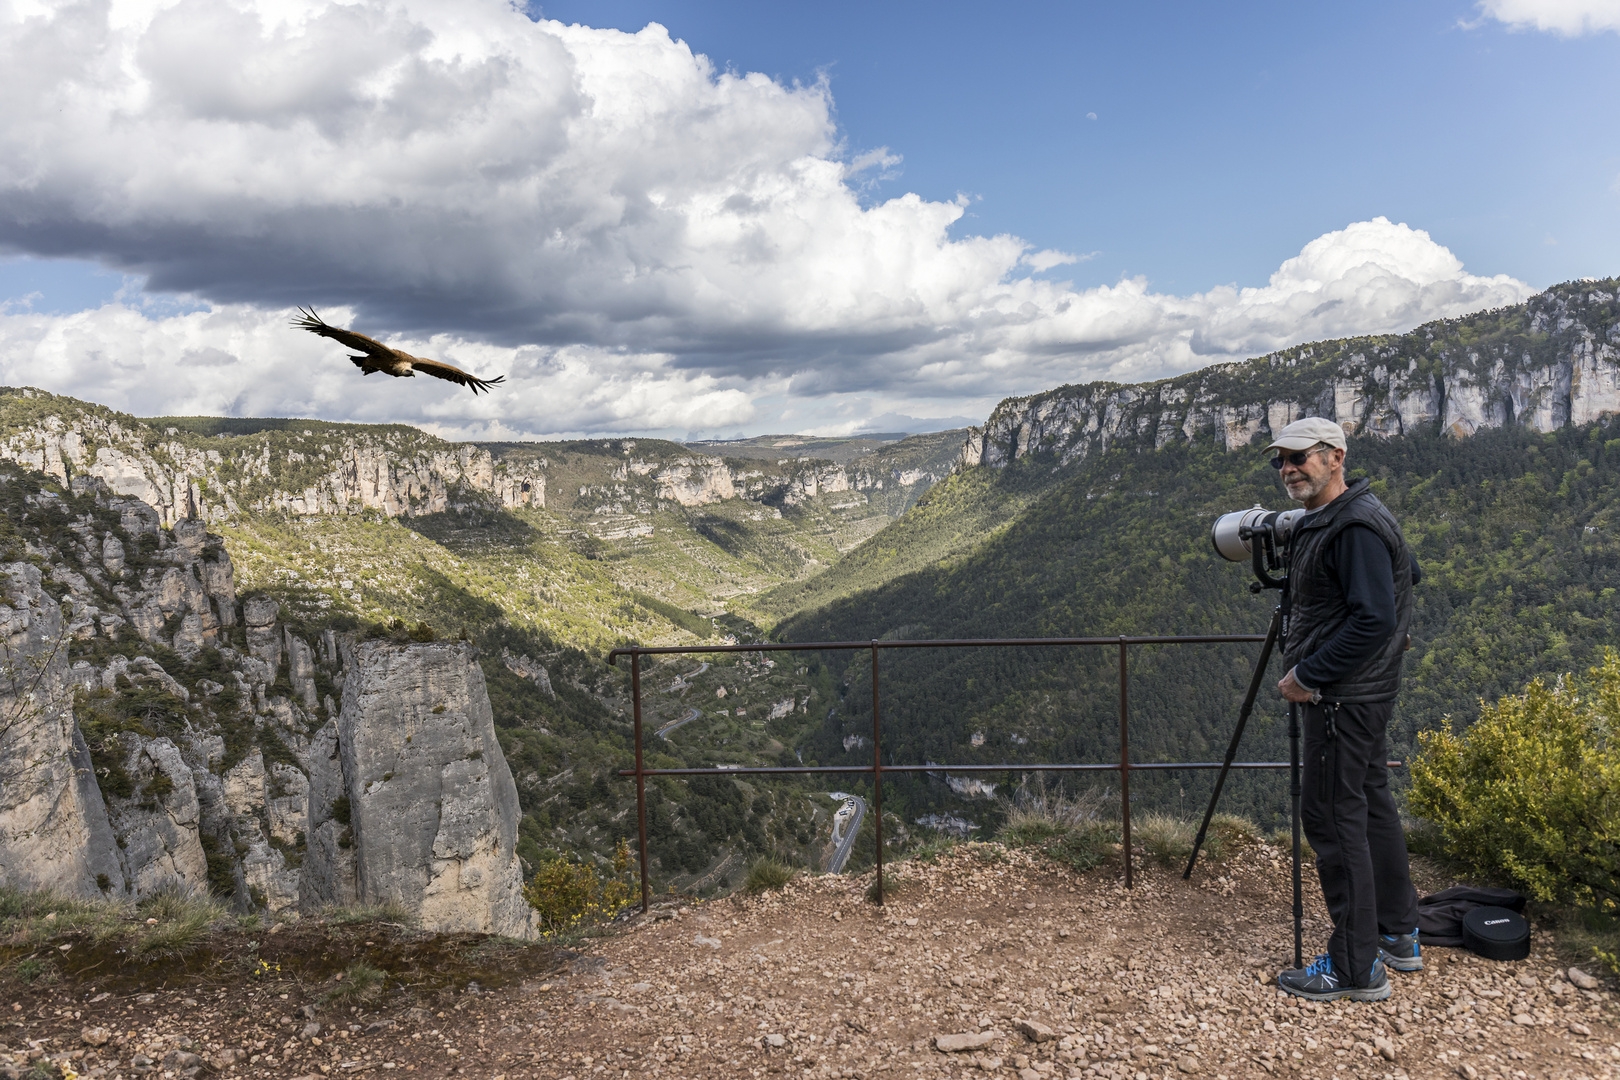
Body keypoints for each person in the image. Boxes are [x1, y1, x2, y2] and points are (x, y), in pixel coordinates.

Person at [1266, 416, 1422, 1003]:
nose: (1288, 468)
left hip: (1340, 697)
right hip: (1366, 693)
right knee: (1371, 802)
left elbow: (1376, 617)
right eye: (1280, 459)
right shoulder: (1360, 513)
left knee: (1333, 818)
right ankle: (1398, 934)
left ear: (1335, 456)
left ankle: (1356, 967)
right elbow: (1407, 575)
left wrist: (1307, 674)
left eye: (1299, 457)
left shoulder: (1351, 525)